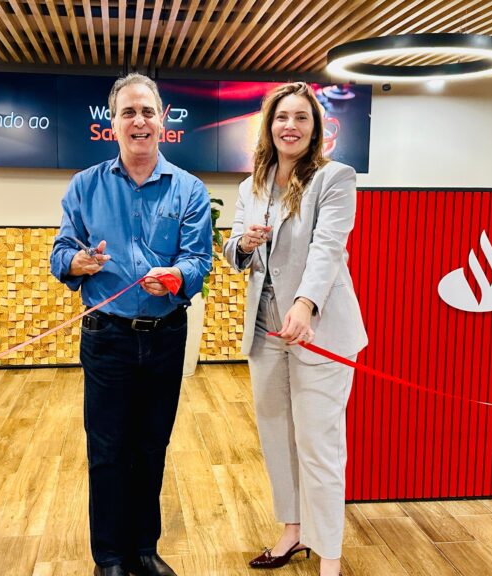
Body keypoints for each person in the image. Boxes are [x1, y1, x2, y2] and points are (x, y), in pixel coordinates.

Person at [50, 73, 212, 576]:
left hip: (166, 337)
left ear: (162, 120)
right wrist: (77, 263)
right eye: (128, 113)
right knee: (107, 451)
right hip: (107, 338)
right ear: (113, 123)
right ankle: (110, 557)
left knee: (151, 446)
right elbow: (60, 253)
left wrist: (176, 277)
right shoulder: (85, 185)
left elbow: (199, 260)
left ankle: (144, 548)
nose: (138, 121)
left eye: (147, 112)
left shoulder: (190, 189)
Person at [223, 82, 368, 576]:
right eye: (282, 117)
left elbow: (328, 248)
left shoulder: (335, 178)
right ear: (269, 126)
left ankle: (330, 556)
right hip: (266, 331)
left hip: (318, 330)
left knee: (319, 445)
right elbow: (233, 253)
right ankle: (294, 530)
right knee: (277, 437)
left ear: (315, 127)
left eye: (301, 118)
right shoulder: (251, 185)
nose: (291, 126)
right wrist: (244, 243)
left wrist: (305, 304)